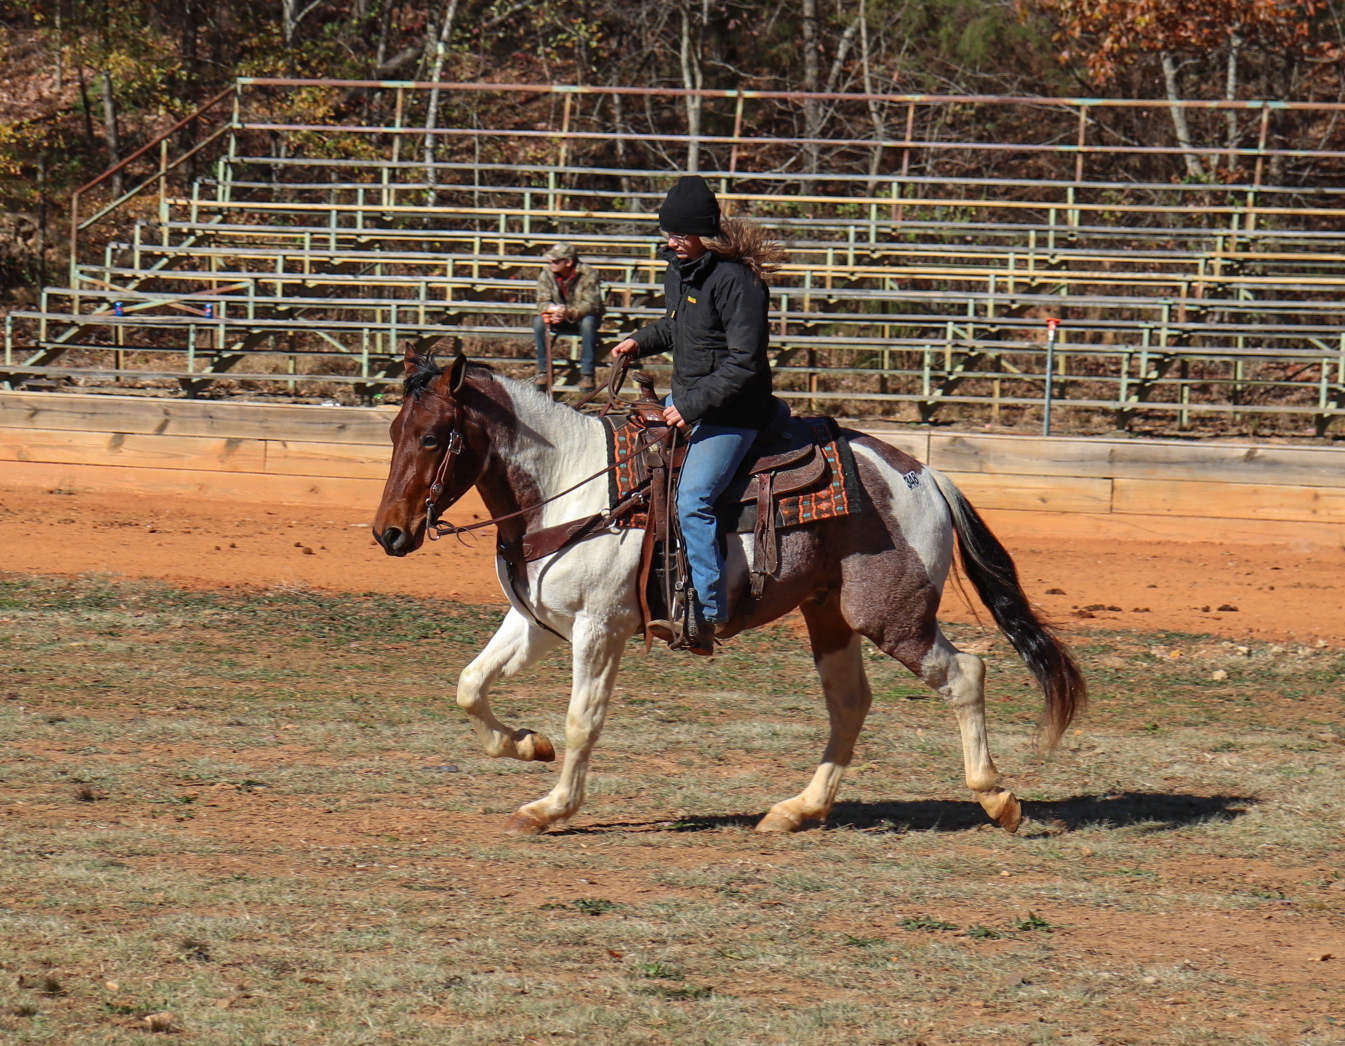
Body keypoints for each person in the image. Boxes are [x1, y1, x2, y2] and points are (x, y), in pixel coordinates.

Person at [611, 176, 786, 655]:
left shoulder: (738, 283)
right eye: (667, 233)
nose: (671, 242)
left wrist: (687, 407)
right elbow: (678, 326)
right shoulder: (681, 269)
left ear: (704, 234)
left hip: (734, 413)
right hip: (690, 399)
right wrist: (638, 341)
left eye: (679, 234)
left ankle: (708, 612)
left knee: (692, 499)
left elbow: (744, 364)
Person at [535, 242, 604, 390]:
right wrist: (553, 310)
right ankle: (544, 371)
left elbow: (592, 304)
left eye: (556, 261)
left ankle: (587, 374)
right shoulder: (546, 274)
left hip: (583, 317)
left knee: (588, 323)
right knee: (539, 322)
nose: (551, 263)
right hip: (558, 316)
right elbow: (541, 301)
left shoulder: (588, 273)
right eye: (551, 260)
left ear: (568, 262)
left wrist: (569, 312)